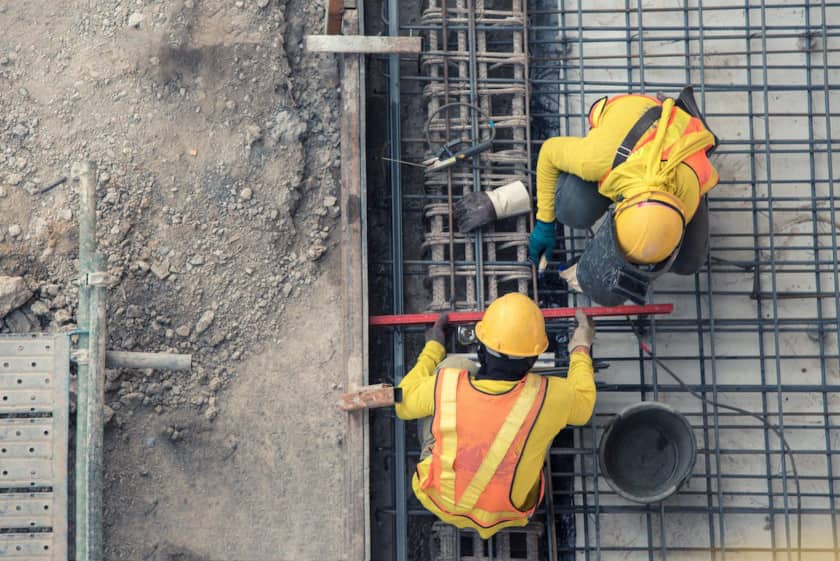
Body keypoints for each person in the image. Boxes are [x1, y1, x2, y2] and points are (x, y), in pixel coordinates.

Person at [453, 88, 717, 305]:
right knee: (570, 209)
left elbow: (651, 241)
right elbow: (548, 153)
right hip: (633, 122)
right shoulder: (598, 158)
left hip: (682, 149)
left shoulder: (691, 190)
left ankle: (686, 116)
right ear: (619, 209)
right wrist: (545, 221)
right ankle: (669, 106)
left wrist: (602, 269)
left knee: (690, 260)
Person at [395, 293, 596, 538]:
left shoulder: (447, 385)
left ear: (481, 350)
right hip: (510, 513)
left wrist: (433, 347)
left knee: (454, 366)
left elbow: (402, 403)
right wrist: (580, 347)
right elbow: (585, 404)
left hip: (440, 499)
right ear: (533, 360)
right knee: (543, 421)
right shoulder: (550, 396)